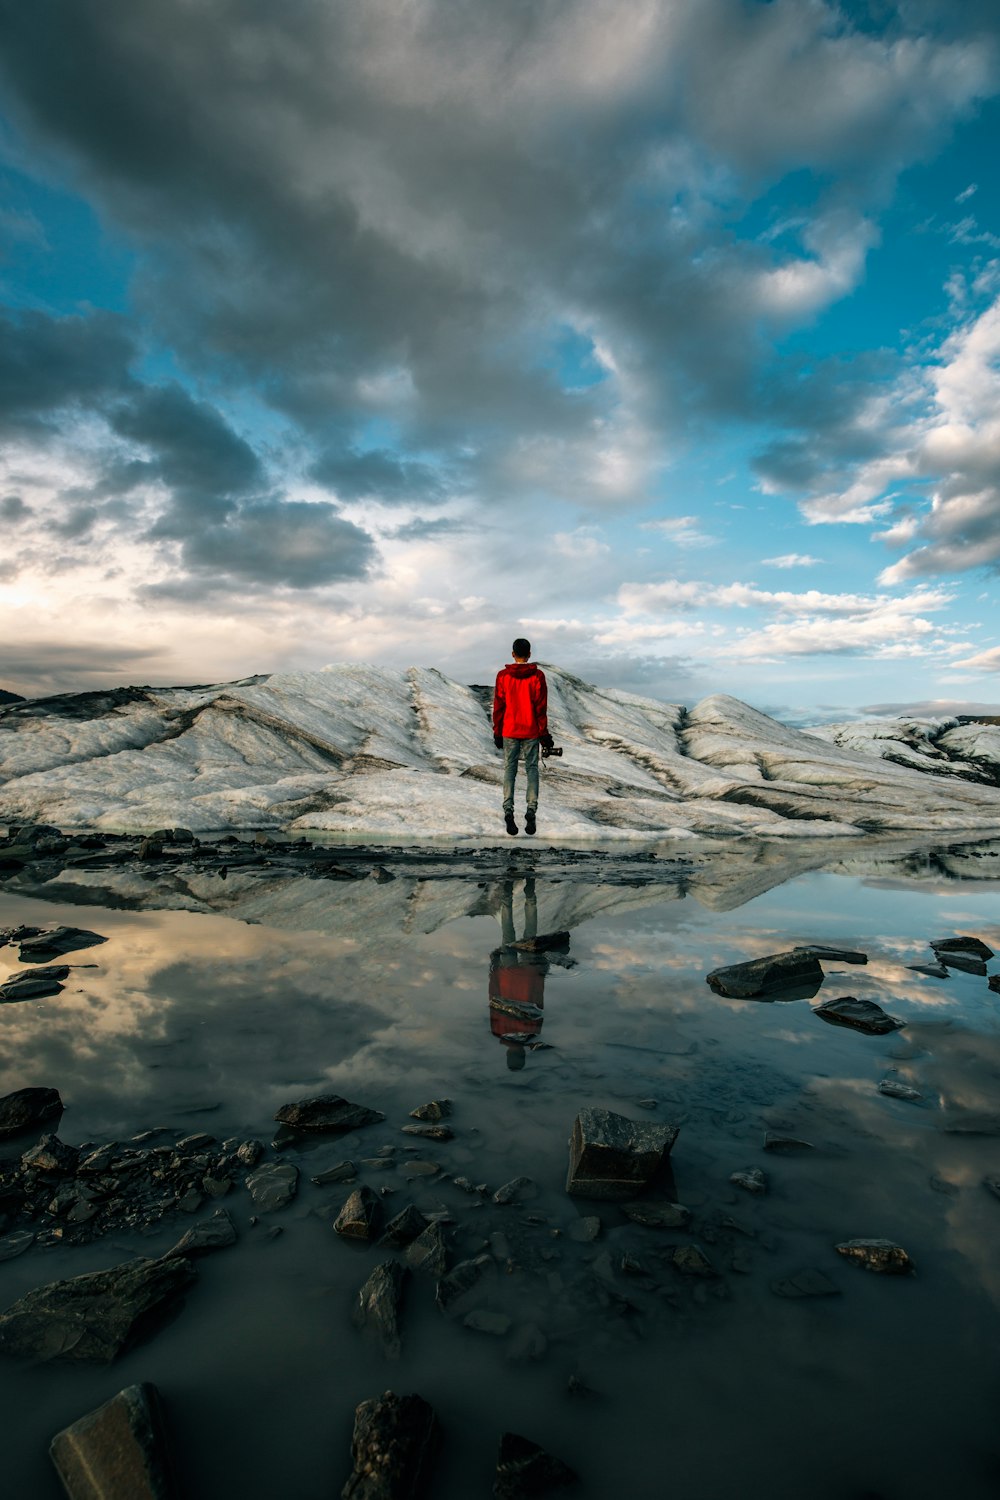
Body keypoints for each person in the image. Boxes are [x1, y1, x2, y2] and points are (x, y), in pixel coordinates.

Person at [492, 637, 553, 836]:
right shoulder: (537, 676)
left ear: (512, 654)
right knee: (532, 769)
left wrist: (497, 731)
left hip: (509, 730)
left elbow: (499, 706)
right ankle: (531, 810)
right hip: (530, 731)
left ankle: (508, 811)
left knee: (510, 770)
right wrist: (544, 734)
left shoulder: (503, 676)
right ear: (529, 655)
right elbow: (540, 708)